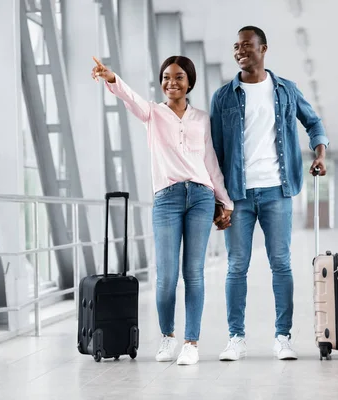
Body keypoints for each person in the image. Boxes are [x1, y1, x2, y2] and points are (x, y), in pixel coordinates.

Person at [91, 55, 234, 365]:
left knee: (194, 273)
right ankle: (167, 337)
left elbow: (210, 162)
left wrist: (226, 201)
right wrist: (111, 77)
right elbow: (130, 98)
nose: (172, 82)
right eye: (167, 77)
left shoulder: (201, 119)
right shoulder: (153, 113)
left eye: (179, 77)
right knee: (166, 276)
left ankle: (191, 343)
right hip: (167, 199)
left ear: (190, 82)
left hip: (200, 196)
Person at [210, 26, 329, 361]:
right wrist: (219, 198)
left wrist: (319, 153)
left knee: (281, 263)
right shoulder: (223, 96)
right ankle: (236, 338)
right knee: (236, 266)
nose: (239, 51)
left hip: (278, 190)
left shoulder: (286, 90)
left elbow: (314, 123)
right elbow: (216, 151)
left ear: (263, 49)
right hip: (238, 194)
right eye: (235, 46)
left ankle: (283, 337)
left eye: (246, 46)